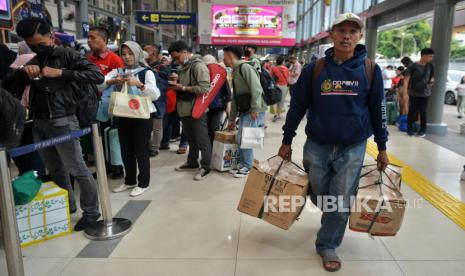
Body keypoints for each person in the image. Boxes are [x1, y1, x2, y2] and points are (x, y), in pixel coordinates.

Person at [278, 13, 389, 272]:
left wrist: (382, 147)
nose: (347, 35)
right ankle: (333, 215)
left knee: (340, 199)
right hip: (317, 144)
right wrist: (287, 139)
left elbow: (378, 110)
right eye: (341, 30)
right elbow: (297, 106)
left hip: (353, 146)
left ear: (360, 36)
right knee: (318, 191)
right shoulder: (314, 69)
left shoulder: (370, 70)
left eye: (353, 31)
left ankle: (327, 244)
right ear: (332, 34)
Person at [13, 17, 104, 231]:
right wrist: (23, 72)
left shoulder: (68, 55)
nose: (34, 47)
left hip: (64, 120)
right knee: (55, 168)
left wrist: (61, 72)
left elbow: (96, 75)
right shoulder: (33, 59)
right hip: (39, 120)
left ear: (51, 36)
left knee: (77, 168)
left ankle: (92, 213)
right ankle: (66, 205)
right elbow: (12, 82)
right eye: (29, 44)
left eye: (39, 43)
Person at [108, 41, 160, 197]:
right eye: (123, 54)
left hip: (142, 116)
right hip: (123, 114)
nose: (127, 57)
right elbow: (101, 83)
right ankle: (129, 180)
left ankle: (143, 182)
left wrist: (140, 85)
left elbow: (155, 95)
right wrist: (113, 81)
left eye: (130, 53)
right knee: (126, 150)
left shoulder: (146, 72)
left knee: (141, 150)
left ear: (137, 53)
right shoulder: (118, 71)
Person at [168, 40, 212, 181]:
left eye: (177, 57)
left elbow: (205, 88)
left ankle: (206, 166)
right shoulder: (184, 67)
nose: (175, 61)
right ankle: (192, 162)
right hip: (184, 109)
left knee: (202, 140)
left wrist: (183, 88)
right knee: (191, 139)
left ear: (185, 52)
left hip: (196, 110)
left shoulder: (198, 66)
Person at [87, 26, 125, 178]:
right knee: (97, 137)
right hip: (90, 103)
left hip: (108, 104)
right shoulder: (88, 58)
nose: (89, 41)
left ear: (104, 40)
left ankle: (117, 166)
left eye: (93, 37)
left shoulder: (114, 59)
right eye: (88, 38)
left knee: (111, 135)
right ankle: (104, 166)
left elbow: (120, 84)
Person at [223, 46, 267, 178]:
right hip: (245, 109)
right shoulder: (235, 71)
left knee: (247, 138)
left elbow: (257, 89)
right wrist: (231, 119)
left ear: (230, 55)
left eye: (224, 55)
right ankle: (244, 163)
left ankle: (247, 166)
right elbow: (236, 97)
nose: (223, 58)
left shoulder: (245, 68)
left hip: (254, 109)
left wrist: (255, 109)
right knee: (240, 136)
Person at [403, 48, 435, 137]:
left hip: (425, 93)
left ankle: (422, 130)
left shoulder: (431, 66)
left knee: (423, 112)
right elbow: (406, 80)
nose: (431, 58)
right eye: (430, 56)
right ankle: (410, 129)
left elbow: (432, 77)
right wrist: (405, 94)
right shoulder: (413, 66)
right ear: (424, 55)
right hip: (414, 93)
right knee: (412, 111)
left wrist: (431, 81)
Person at [202, 54, 232, 144]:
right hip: (204, 108)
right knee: (205, 130)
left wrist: (228, 105)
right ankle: (208, 151)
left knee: (213, 129)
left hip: (217, 107)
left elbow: (227, 92)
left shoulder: (220, 75)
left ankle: (213, 150)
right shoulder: (201, 74)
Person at [270, 56, 290, 122]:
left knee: (274, 100)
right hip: (284, 86)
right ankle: (278, 114)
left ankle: (275, 114)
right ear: (282, 61)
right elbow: (288, 78)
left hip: (275, 85)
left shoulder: (273, 68)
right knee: (281, 100)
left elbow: (271, 77)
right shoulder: (286, 69)